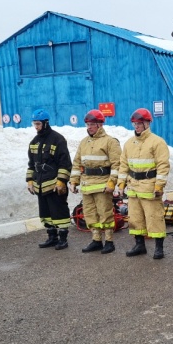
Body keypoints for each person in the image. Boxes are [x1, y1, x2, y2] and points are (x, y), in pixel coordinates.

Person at [117, 108, 170, 259]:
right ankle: (139, 245)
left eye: (140, 123)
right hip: (133, 187)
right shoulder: (129, 144)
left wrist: (159, 185)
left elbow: (163, 166)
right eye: (135, 123)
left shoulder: (157, 142)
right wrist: (121, 183)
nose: (137, 126)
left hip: (150, 187)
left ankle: (159, 248)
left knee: (155, 218)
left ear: (147, 123)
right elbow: (123, 165)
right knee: (135, 219)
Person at [68, 109, 122, 254]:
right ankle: (96, 240)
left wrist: (112, 182)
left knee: (105, 214)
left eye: (92, 124)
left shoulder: (110, 142)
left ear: (100, 125)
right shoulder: (84, 142)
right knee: (90, 214)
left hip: (102, 186)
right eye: (87, 124)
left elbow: (117, 164)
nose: (89, 127)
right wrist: (73, 181)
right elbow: (77, 163)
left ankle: (109, 241)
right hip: (86, 186)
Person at [26, 109, 72, 250]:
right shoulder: (34, 142)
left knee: (59, 213)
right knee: (46, 214)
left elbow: (65, 163)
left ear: (46, 123)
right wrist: (30, 181)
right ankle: (52, 237)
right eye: (34, 124)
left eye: (38, 124)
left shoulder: (58, 139)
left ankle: (63, 239)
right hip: (40, 185)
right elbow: (31, 164)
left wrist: (61, 182)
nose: (36, 127)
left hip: (54, 185)